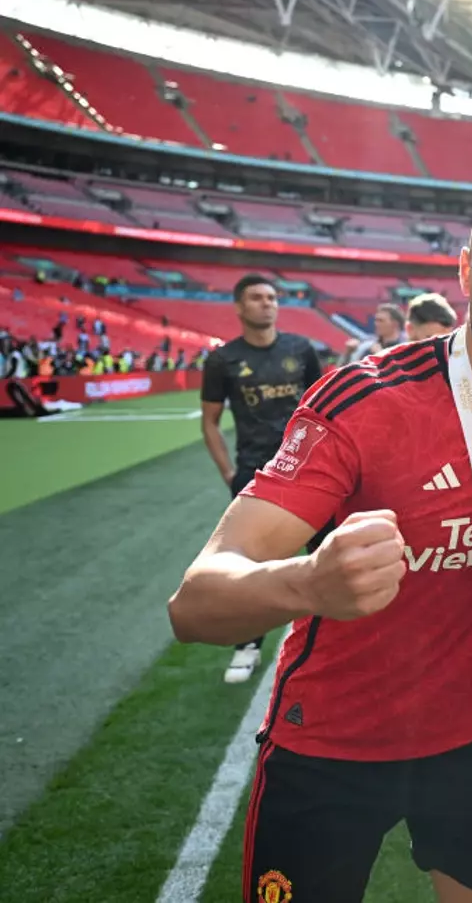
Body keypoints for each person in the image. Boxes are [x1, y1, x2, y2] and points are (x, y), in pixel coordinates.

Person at [171, 188, 472, 903]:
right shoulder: (365, 402)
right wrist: (307, 583)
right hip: (331, 747)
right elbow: (193, 603)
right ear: (463, 271)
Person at [200, 274, 323, 684]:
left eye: (271, 297)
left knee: (326, 551)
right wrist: (228, 472)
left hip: (309, 469)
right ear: (239, 307)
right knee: (249, 563)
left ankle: (338, 639)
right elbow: (211, 422)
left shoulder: (301, 350)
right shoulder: (222, 360)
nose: (266, 304)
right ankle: (248, 645)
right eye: (256, 298)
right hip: (255, 472)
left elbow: (322, 408)